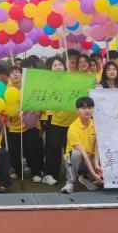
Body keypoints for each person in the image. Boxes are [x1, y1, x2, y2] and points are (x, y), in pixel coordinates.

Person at [5, 66, 43, 182]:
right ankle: (17, 171)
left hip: (30, 125)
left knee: (33, 149)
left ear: (22, 75)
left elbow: (38, 105)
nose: (15, 74)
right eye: (12, 73)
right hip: (13, 126)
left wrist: (30, 112)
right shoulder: (6, 91)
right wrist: (7, 119)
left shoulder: (30, 88)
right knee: (14, 151)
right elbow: (3, 109)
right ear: (9, 77)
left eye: (17, 72)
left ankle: (36, 172)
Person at [61, 97, 102, 194]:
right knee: (75, 154)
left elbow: (97, 146)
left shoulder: (96, 125)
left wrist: (96, 165)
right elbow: (83, 154)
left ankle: (86, 178)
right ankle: (70, 183)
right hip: (77, 160)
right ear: (77, 110)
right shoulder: (73, 128)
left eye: (90, 108)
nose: (87, 111)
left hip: (91, 158)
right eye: (83, 108)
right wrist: (93, 172)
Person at [43, 57, 74, 186]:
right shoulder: (46, 82)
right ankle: (50, 174)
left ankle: (71, 175)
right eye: (55, 65)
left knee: (70, 149)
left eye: (60, 64)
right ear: (50, 68)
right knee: (53, 148)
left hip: (72, 120)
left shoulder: (72, 79)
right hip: (54, 119)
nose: (58, 67)